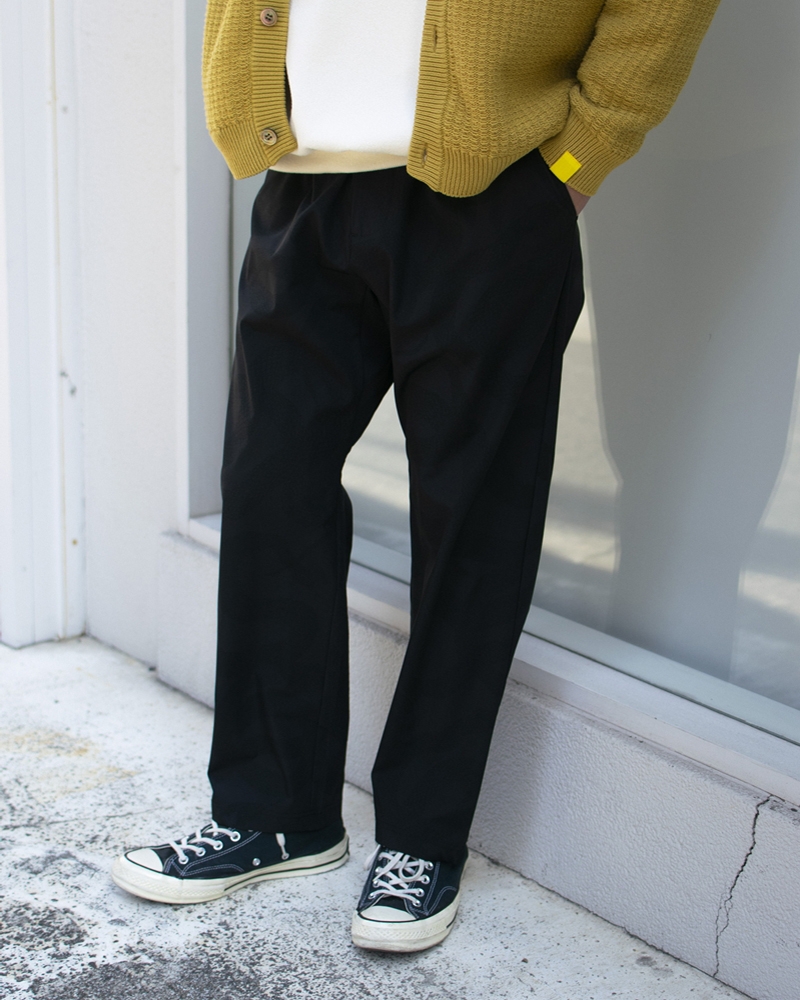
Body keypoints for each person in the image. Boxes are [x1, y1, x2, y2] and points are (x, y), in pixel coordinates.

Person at [112, 0, 720, 953]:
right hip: (304, 181)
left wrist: (578, 158)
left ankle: (421, 841)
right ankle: (276, 814)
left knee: (471, 518)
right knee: (270, 488)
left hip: (494, 192)